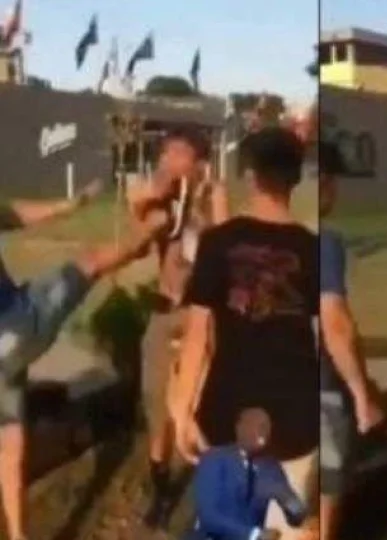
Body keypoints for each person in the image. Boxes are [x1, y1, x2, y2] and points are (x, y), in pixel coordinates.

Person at [170, 126, 319, 540]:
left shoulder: (218, 242)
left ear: (250, 176)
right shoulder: (312, 249)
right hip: (295, 417)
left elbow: (197, 334)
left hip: (227, 412)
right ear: (295, 178)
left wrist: (182, 409)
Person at [0, 177, 167, 540]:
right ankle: (155, 225)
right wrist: (72, 206)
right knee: (89, 263)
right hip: (17, 325)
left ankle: (17, 535)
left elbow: (16, 213)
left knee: (9, 442)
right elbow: (16, 213)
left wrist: (70, 205)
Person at [126, 126, 229, 529]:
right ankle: (162, 491)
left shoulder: (212, 198)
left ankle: (214, 495)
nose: (168, 160)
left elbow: (229, 248)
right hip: (163, 312)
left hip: (201, 317)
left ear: (199, 160)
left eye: (178, 153)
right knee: (157, 407)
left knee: (202, 406)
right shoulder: (162, 202)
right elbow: (138, 212)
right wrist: (159, 192)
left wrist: (211, 201)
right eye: (165, 153)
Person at [317, 142, 384, 539]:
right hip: (316, 393)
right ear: (324, 183)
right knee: (322, 496)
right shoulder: (323, 243)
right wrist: (361, 396)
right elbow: (335, 325)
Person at [188, 407, 307, 540]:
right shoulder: (215, 458)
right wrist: (253, 534)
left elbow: (297, 519)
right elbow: (208, 516)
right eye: (255, 424)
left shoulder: (271, 468)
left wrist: (288, 499)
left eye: (266, 427)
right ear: (239, 428)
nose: (262, 431)